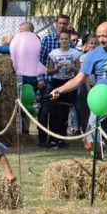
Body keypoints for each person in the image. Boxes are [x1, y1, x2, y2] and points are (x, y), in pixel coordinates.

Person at [50, 21, 107, 200]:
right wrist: (60, 89)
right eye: (99, 36)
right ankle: (97, 148)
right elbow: (78, 80)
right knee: (88, 144)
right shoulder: (93, 55)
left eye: (105, 36)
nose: (101, 40)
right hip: (99, 102)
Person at [37, 14, 70, 148]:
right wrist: (39, 78)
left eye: (65, 24)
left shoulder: (70, 42)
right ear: (56, 23)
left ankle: (58, 138)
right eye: (60, 23)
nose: (62, 26)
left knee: (62, 111)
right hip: (48, 79)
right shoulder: (47, 39)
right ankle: (43, 139)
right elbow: (39, 59)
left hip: (64, 81)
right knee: (45, 110)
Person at [45, 30, 81, 147]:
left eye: (66, 39)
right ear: (58, 40)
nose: (64, 41)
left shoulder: (75, 53)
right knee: (54, 111)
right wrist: (57, 68)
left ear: (70, 40)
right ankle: (52, 138)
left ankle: (62, 137)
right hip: (56, 82)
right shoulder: (54, 53)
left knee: (65, 111)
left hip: (69, 82)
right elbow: (49, 71)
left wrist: (72, 67)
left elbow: (79, 71)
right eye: (62, 39)